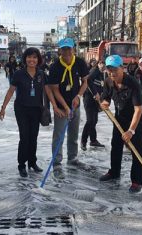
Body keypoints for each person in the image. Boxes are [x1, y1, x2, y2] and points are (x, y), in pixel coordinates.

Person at [99, 55, 142, 194]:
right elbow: (105, 97)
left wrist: (131, 131)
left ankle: (137, 181)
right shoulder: (108, 81)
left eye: (115, 70)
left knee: (136, 149)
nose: (112, 73)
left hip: (136, 120)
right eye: (109, 70)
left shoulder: (133, 84)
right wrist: (105, 102)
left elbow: (139, 109)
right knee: (116, 145)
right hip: (120, 117)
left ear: (122, 68)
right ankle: (114, 172)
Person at [0, 48, 46, 177]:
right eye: (29, 57)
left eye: (35, 57)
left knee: (33, 137)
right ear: (25, 59)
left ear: (38, 60)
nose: (32, 60)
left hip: (36, 109)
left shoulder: (41, 74)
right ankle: (22, 165)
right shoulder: (19, 74)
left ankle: (32, 162)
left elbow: (47, 92)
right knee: (24, 137)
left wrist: (55, 106)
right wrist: (3, 108)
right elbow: (11, 91)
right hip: (22, 109)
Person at [47, 38, 89, 179]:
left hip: (75, 104)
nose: (66, 52)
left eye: (68, 49)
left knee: (73, 133)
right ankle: (57, 164)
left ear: (73, 49)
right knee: (58, 136)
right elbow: (54, 89)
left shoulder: (80, 62)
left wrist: (78, 96)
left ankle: (72, 158)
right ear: (60, 50)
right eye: (63, 49)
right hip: (61, 107)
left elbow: (85, 82)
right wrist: (65, 107)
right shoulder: (55, 67)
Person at [81, 60, 105, 151]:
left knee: (94, 121)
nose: (102, 65)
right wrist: (95, 93)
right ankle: (83, 141)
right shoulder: (94, 71)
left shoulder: (102, 74)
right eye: (101, 63)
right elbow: (88, 80)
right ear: (98, 64)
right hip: (89, 99)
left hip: (96, 101)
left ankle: (93, 140)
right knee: (90, 120)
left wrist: (102, 99)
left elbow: (102, 87)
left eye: (104, 64)